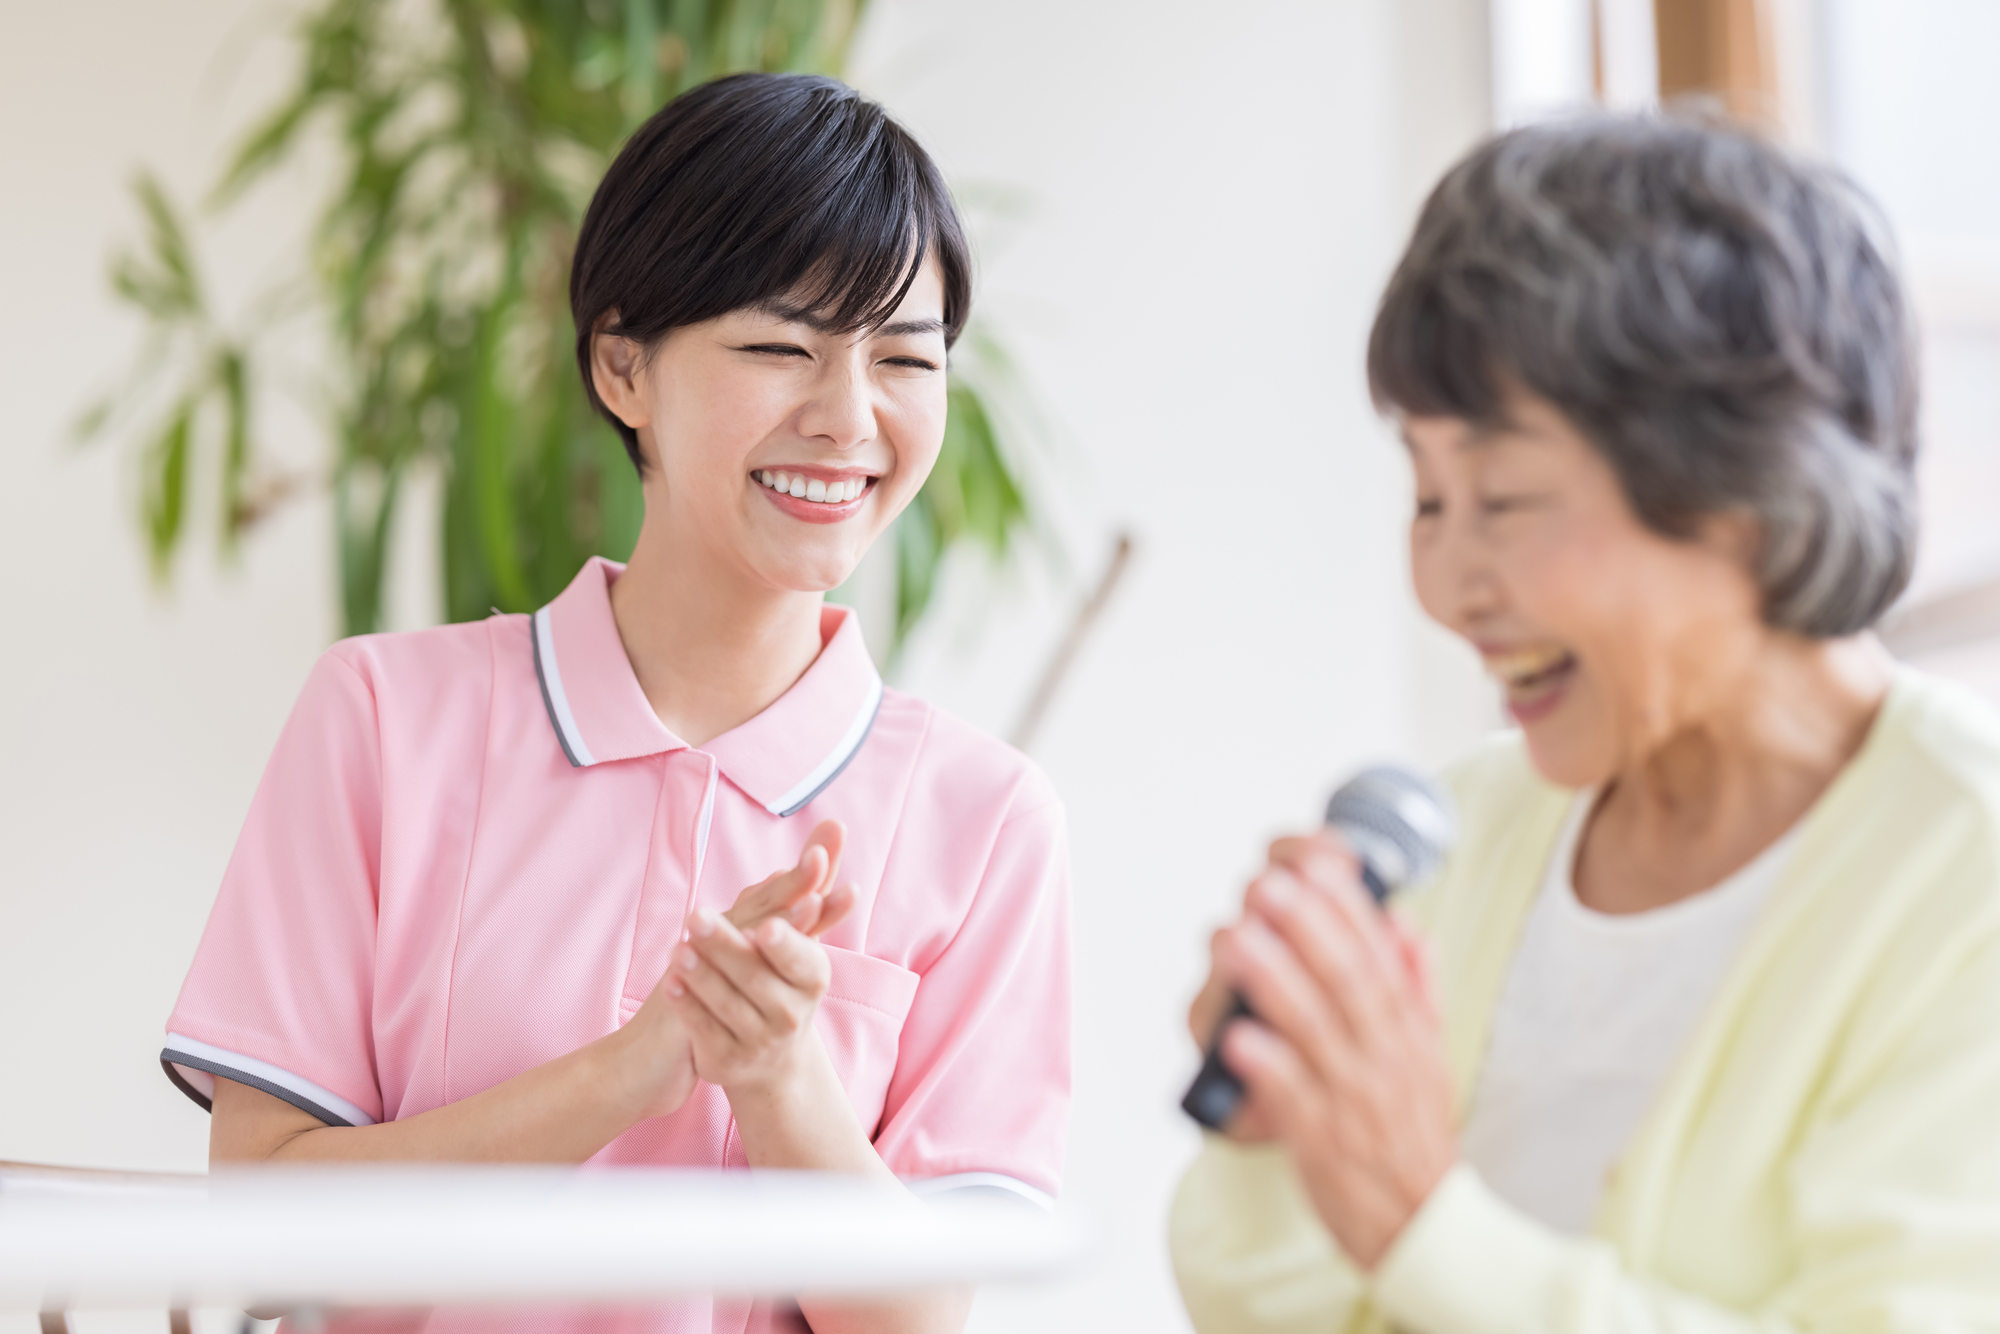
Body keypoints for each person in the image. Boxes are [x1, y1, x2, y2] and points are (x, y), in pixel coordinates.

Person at [160, 73, 1070, 1334]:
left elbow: (923, 1318)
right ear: (622, 367)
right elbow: (267, 1238)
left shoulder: (986, 818)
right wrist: (628, 1073)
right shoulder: (383, 718)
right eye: (779, 347)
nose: (849, 417)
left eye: (904, 358)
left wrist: (780, 1080)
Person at [1171, 115, 2000, 1332]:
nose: (1448, 584)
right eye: (1425, 495)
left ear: (1745, 497)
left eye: (1501, 497)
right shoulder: (1465, 830)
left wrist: (1418, 1223)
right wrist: (1281, 1140)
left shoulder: (1963, 868)